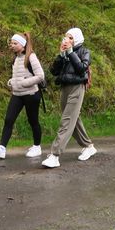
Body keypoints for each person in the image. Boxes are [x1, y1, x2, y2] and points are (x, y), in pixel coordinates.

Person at [41, 27, 97, 168]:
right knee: (73, 119)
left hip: (77, 88)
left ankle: (55, 155)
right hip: (65, 87)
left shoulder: (85, 52)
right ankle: (88, 146)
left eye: (71, 38)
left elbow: (81, 68)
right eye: (66, 37)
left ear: (77, 39)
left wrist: (71, 53)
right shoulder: (65, 53)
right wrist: (61, 55)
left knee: (66, 120)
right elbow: (53, 71)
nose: (67, 40)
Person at [0, 32, 46, 159]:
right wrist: (12, 81)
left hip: (31, 94)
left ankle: (37, 147)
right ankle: (1, 149)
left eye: (14, 43)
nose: (11, 45)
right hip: (17, 94)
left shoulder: (31, 57)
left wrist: (24, 83)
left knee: (33, 121)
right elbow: (17, 75)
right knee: (8, 120)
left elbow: (40, 76)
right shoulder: (15, 58)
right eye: (11, 43)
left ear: (23, 45)